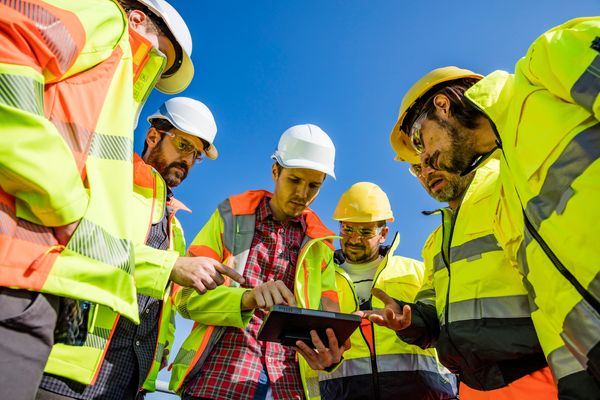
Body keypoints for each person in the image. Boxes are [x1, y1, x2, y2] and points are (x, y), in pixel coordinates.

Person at [388, 17, 600, 385]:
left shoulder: (546, 63)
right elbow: (550, 304)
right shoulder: (508, 199)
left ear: (442, 105)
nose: (422, 161)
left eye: (420, 142)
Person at [0, 0, 195, 398]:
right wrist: (65, 204)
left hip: (43, 289)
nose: (150, 69)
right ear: (137, 18)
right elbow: (9, 39)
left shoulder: (169, 214)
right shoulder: (107, 18)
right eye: (159, 56)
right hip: (18, 273)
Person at [36, 98, 245, 399]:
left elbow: (168, 304)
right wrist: (169, 266)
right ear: (153, 137)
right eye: (184, 146)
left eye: (196, 155)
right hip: (70, 374)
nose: (188, 161)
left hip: (131, 379)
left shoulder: (175, 226)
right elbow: (82, 247)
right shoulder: (109, 182)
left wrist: (163, 345)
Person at [169, 124, 348, 400]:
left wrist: (330, 356)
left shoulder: (321, 247)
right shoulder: (231, 216)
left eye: (314, 185)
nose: (303, 193)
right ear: (275, 171)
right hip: (221, 378)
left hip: (288, 387)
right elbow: (184, 299)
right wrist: (246, 299)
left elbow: (328, 325)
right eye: (295, 180)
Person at [311, 182, 457, 400]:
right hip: (342, 393)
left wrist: (410, 324)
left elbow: (447, 328)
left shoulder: (416, 271)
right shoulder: (320, 280)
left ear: (383, 233)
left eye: (365, 231)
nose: (354, 238)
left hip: (425, 394)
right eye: (347, 229)